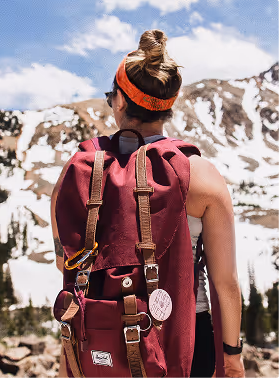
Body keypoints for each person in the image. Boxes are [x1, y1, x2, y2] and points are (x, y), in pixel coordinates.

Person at [51, 29, 244, 378]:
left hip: (97, 341)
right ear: (167, 105)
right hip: (182, 339)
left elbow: (65, 264)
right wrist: (232, 354)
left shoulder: (76, 172)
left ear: (121, 102)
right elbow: (226, 282)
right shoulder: (200, 175)